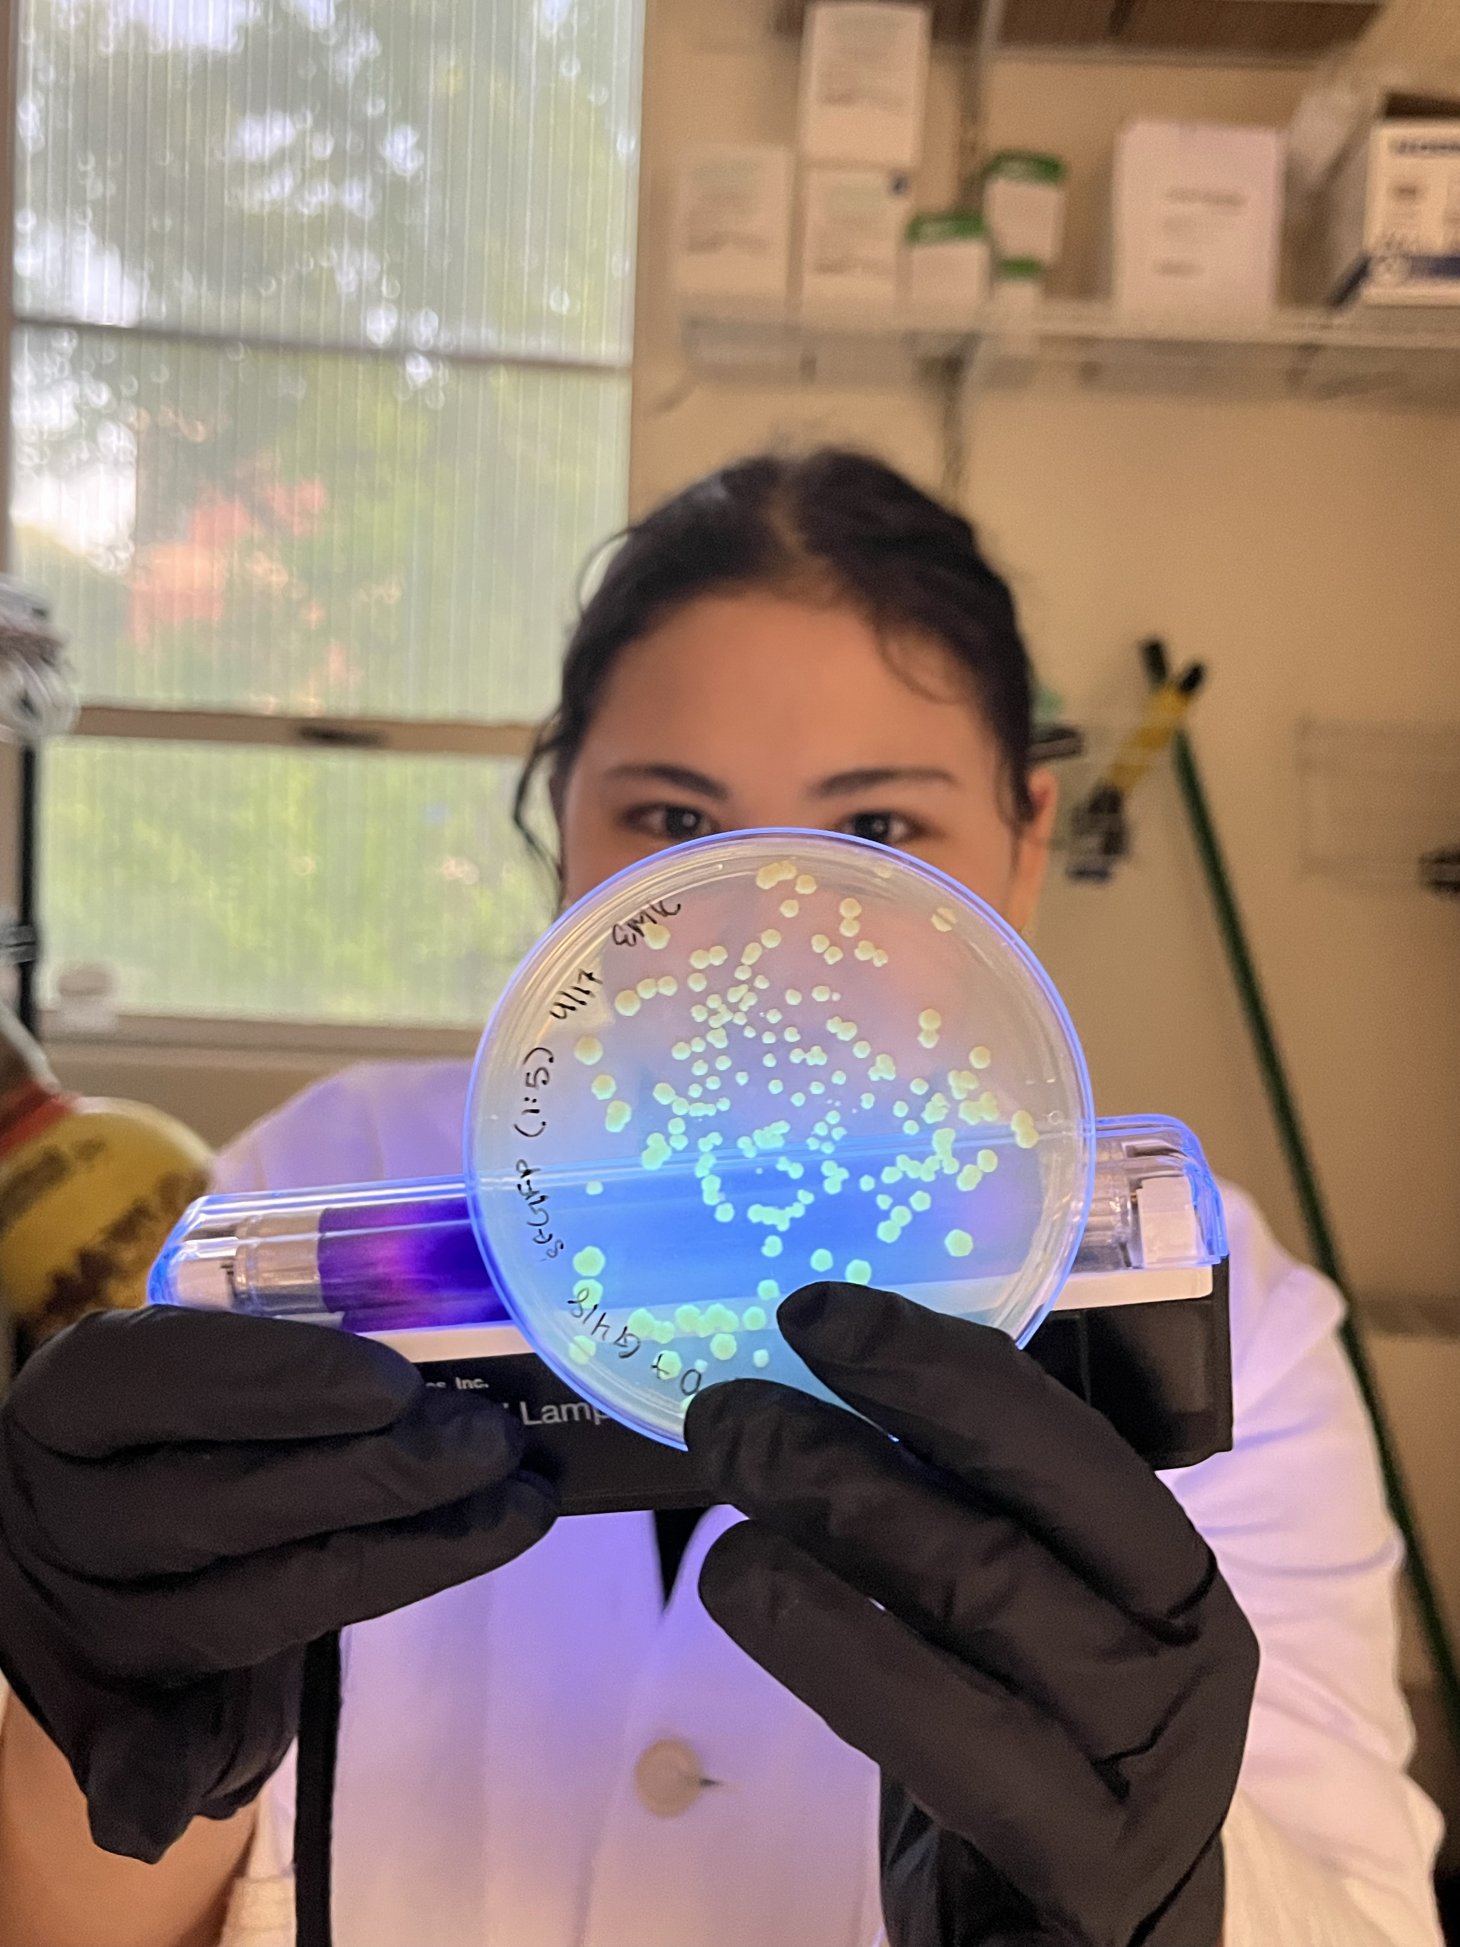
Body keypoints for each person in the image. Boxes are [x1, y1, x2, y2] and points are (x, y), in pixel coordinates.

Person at [0, 450, 1443, 1947]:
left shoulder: (1203, 1299)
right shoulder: (323, 1195)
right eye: (676, 824)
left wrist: (1170, 1908)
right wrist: (86, 1719)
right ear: (562, 828)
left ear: (1026, 842)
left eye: (877, 833)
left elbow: (1366, 1913)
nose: (767, 924)